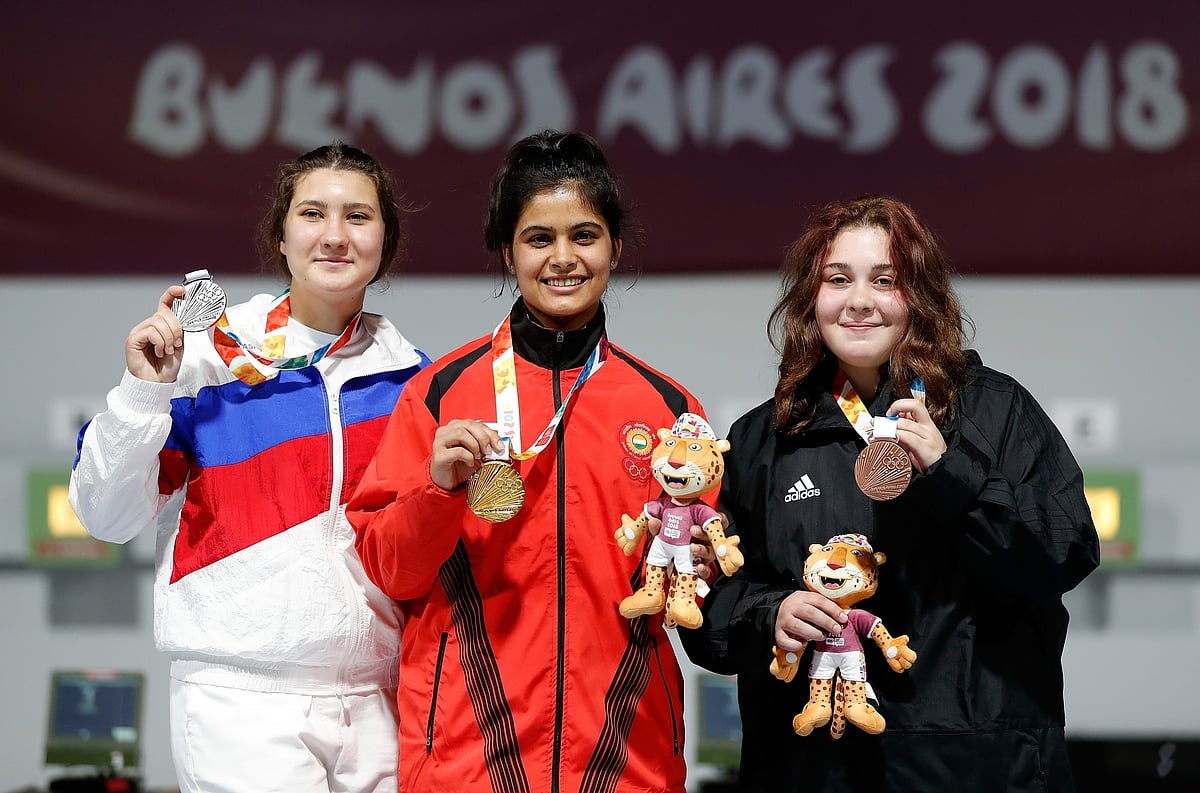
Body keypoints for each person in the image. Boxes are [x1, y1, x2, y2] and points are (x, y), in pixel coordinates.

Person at [679, 194, 1101, 793]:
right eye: (837, 279)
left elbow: (1065, 550)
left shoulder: (992, 410)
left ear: (919, 296)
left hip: (975, 768)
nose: (858, 301)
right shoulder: (762, 440)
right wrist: (770, 613)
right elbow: (708, 609)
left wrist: (950, 471)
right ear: (811, 299)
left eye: (885, 280)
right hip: (812, 769)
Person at [347, 129, 710, 793]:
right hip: (464, 763)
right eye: (539, 237)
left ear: (616, 246)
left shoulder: (669, 411)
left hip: (628, 764)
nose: (563, 257)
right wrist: (437, 488)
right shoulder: (441, 394)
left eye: (585, 234)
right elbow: (391, 572)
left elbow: (704, 585)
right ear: (507, 251)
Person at [69, 143, 430, 793]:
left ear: (386, 240)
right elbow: (105, 515)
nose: (335, 235)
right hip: (240, 698)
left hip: (381, 699)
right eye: (313, 213)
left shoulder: (414, 379)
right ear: (282, 236)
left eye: (359, 216)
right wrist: (144, 391)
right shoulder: (204, 359)